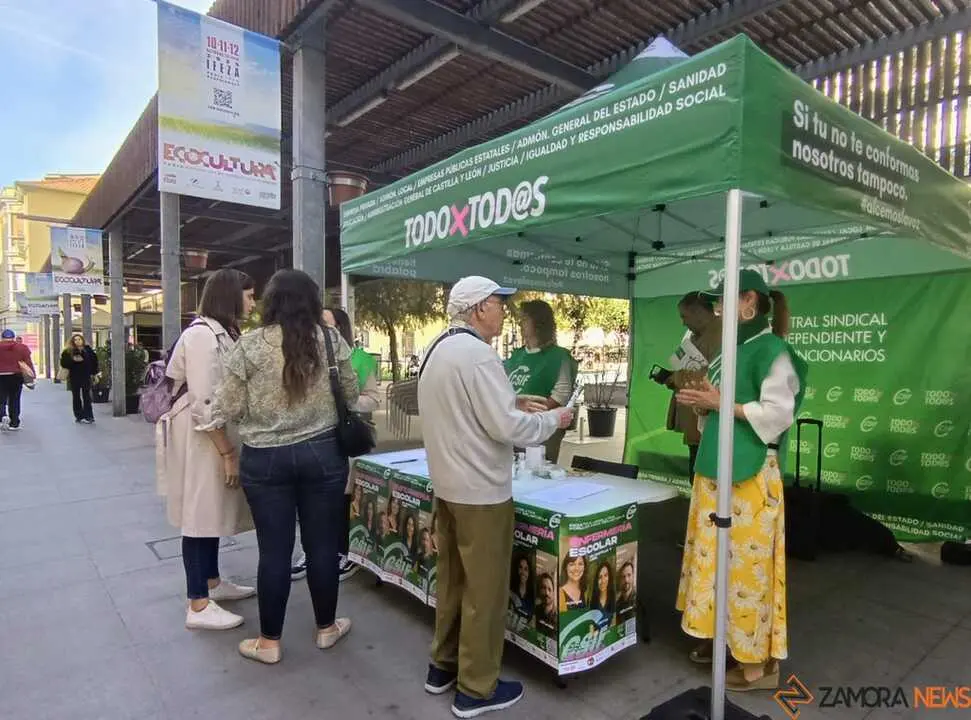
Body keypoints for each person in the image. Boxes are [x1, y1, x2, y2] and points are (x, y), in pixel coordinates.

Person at [418, 276, 572, 717]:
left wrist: (513, 399)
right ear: (480, 308)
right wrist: (554, 420)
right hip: (481, 493)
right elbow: (508, 428)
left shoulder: (439, 349)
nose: (506, 311)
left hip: (447, 487)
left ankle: (442, 668)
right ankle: (476, 689)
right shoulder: (480, 357)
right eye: (501, 304)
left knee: (453, 583)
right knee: (484, 592)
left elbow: (470, 409)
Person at [209, 269, 360, 665]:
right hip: (323, 454)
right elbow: (352, 393)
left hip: (265, 459)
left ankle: (269, 643)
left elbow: (227, 407)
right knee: (323, 548)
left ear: (270, 303)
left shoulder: (249, 345)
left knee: (274, 552)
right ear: (312, 302)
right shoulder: (330, 339)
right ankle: (326, 629)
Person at [675, 269, 807, 692]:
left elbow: (777, 415)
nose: (716, 310)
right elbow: (721, 407)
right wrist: (702, 402)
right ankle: (725, 642)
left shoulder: (773, 350)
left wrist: (721, 404)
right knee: (716, 565)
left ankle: (758, 665)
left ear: (749, 301)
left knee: (748, 573)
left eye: (722, 301)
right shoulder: (730, 350)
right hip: (716, 471)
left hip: (749, 477)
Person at [156, 269, 257, 631]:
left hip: (209, 435)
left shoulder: (221, 333)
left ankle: (213, 582)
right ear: (230, 296)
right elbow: (204, 400)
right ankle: (197, 602)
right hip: (199, 436)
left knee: (210, 510)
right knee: (198, 516)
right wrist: (227, 451)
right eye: (248, 295)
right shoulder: (201, 335)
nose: (252, 302)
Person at [291, 306, 380, 583]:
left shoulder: (360, 360)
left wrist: (344, 404)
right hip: (310, 439)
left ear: (341, 329)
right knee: (307, 501)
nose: (321, 330)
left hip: (345, 439)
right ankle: (311, 551)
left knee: (341, 499)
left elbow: (372, 399)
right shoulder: (305, 357)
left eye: (328, 325)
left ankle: (344, 552)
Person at [650, 292, 721, 479]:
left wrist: (677, 378)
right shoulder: (696, 336)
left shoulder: (719, 335)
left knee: (702, 478)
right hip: (696, 422)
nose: (683, 323)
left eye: (685, 316)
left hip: (707, 423)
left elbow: (707, 376)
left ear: (698, 313)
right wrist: (672, 378)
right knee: (696, 475)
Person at [504, 299, 578, 463]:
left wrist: (535, 414)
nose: (520, 323)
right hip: (514, 427)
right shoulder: (517, 355)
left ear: (538, 323)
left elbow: (562, 393)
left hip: (543, 431)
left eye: (525, 319)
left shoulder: (558, 357)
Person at [60, 334, 99, 424]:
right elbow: (64, 363)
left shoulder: (88, 350)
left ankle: (89, 415)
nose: (78, 341)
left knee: (86, 396)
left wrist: (94, 373)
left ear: (82, 340)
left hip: (85, 376)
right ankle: (79, 415)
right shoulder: (68, 351)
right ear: (72, 341)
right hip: (74, 376)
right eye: (75, 340)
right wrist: (73, 359)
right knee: (76, 396)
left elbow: (94, 362)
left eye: (79, 339)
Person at [0, 329, 33, 430]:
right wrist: (32, 377)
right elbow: (28, 362)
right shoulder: (22, 347)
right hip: (16, 376)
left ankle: (2, 416)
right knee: (15, 398)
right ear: (13, 337)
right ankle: (14, 422)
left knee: (1, 398)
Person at [589, 561, 616, 628]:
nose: (603, 581)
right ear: (596, 581)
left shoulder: (615, 598)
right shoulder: (592, 601)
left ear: (610, 577)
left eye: (605, 575)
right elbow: (590, 626)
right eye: (600, 577)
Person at [508, 553, 535, 619]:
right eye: (520, 567)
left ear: (529, 573)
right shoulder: (510, 591)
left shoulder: (532, 597)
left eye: (526, 569)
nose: (522, 572)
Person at [615, 561, 637, 625]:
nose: (626, 580)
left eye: (629, 575)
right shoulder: (617, 604)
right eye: (623, 576)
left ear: (633, 575)